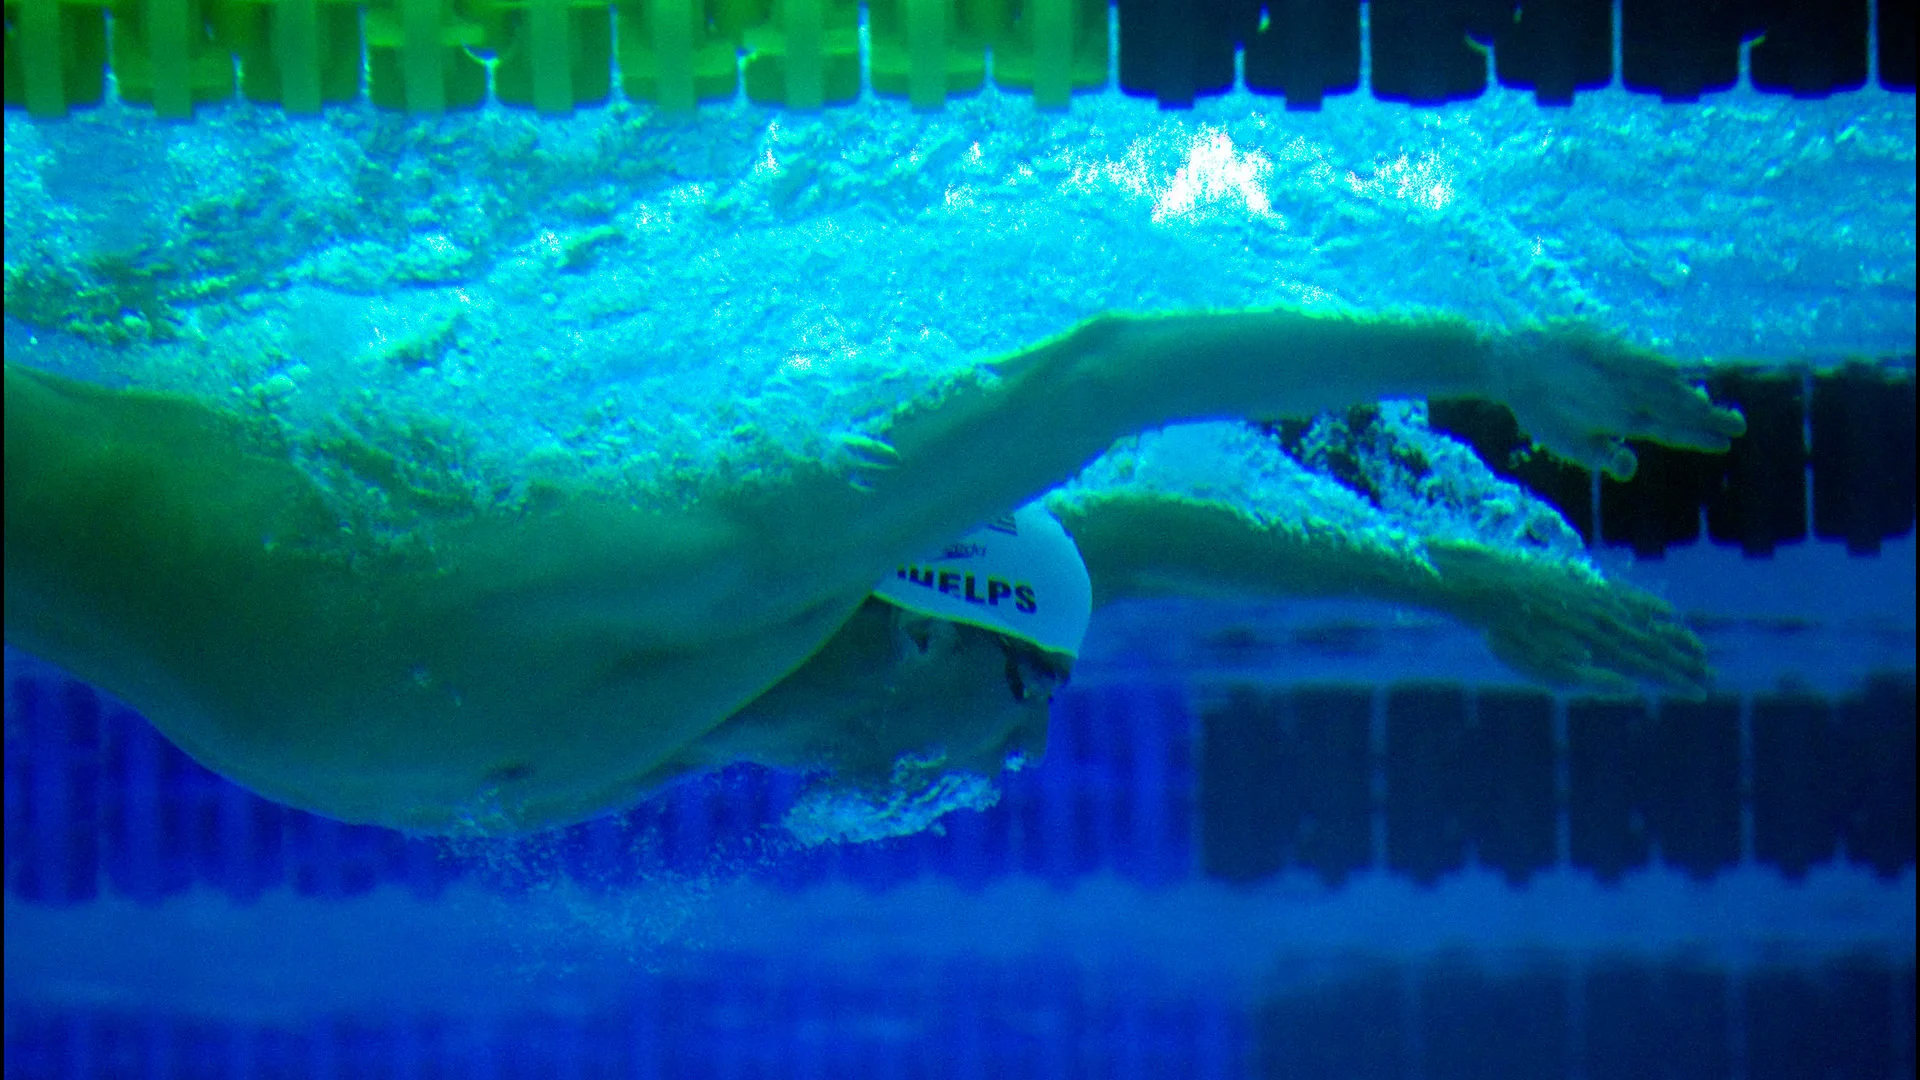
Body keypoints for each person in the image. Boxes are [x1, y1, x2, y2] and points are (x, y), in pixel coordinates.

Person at [3, 306, 1746, 834]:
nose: (1026, 751)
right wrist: (1481, 357)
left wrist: (1461, 588)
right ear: (937, 636)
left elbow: (1127, 542)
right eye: (1034, 696)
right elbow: (1103, 378)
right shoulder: (728, 573)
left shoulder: (679, 722)